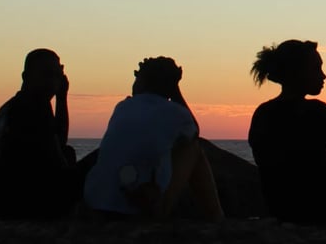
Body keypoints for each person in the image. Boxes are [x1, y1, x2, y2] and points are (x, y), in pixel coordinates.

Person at [83, 57, 223, 221]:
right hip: (138, 210)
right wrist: (175, 91)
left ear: (142, 82)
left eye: (136, 76)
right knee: (194, 150)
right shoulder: (177, 113)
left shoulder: (122, 107)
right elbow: (193, 133)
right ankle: (216, 218)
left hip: (97, 206)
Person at [248, 40, 326, 224]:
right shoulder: (318, 111)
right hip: (319, 208)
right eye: (316, 69)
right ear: (296, 72)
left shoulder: (263, 112)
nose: (323, 76)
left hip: (279, 207)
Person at [0, 49, 93, 219]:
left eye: (56, 75)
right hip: (21, 203)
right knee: (105, 155)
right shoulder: (33, 105)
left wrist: (61, 97)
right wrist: (61, 98)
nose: (52, 81)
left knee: (69, 153)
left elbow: (58, 147)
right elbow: (59, 144)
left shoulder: (13, 104)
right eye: (46, 74)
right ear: (26, 76)